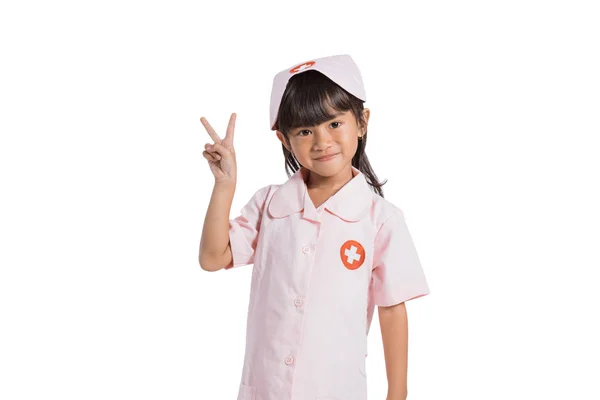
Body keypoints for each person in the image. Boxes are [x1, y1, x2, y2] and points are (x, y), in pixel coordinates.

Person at [199, 54, 430, 400]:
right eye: (305, 130)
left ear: (362, 122)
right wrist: (224, 186)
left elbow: (392, 307)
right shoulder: (269, 205)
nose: (322, 142)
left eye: (334, 124)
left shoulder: (381, 218)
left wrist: (397, 393)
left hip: (335, 388)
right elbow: (213, 257)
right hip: (266, 388)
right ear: (284, 139)